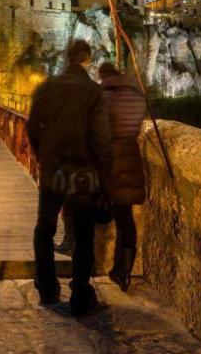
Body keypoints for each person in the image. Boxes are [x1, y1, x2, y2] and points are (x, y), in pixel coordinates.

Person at [28, 39, 112, 317]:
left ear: (67, 58)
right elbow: (102, 138)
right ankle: (79, 293)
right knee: (83, 234)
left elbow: (32, 127)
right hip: (83, 172)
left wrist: (43, 156)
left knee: (45, 228)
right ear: (87, 60)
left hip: (53, 169)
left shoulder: (46, 87)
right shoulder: (94, 91)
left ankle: (47, 287)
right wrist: (104, 172)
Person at [97, 62, 148, 292]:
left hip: (110, 159)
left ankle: (99, 265)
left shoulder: (103, 98)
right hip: (131, 158)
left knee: (104, 209)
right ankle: (124, 271)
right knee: (125, 217)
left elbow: (99, 130)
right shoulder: (136, 96)